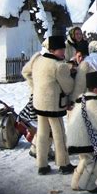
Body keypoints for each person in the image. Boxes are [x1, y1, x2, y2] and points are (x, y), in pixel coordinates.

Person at [22, 35, 75, 175]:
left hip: (39, 103)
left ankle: (42, 164)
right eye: (60, 50)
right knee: (59, 135)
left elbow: (25, 72)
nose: (63, 52)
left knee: (42, 134)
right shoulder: (59, 66)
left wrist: (35, 86)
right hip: (54, 104)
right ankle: (64, 164)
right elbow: (68, 87)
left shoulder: (37, 59)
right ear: (52, 50)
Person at [66, 71, 97, 194]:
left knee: (85, 159)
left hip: (75, 139)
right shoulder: (96, 102)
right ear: (96, 89)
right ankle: (88, 184)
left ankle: (76, 182)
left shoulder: (81, 99)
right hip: (86, 140)